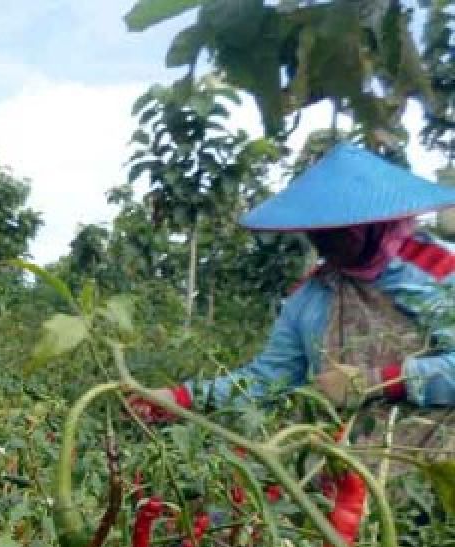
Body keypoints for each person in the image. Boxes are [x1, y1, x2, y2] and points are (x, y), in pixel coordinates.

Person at [135, 142, 455, 457]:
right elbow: (269, 377)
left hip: (434, 466)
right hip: (343, 469)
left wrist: (378, 382)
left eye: (340, 229)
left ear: (376, 225)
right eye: (316, 229)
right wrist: (178, 398)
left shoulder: (437, 271)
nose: (322, 241)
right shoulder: (314, 293)